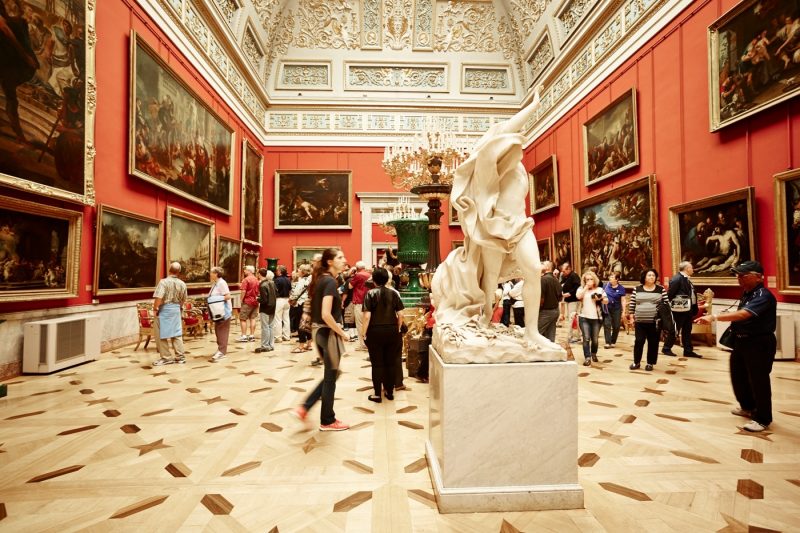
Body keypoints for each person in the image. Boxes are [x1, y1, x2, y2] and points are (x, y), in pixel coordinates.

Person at [431, 87, 563, 359]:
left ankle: (531, 331)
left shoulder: (519, 171)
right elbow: (507, 130)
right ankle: (486, 317)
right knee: (489, 279)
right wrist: (533, 107)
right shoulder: (490, 164)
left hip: (519, 225)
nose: (512, 142)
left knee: (534, 269)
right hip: (495, 227)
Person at [695, 261, 777, 432]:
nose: (739, 279)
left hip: (758, 343)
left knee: (758, 380)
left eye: (743, 276)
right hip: (741, 342)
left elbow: (744, 314)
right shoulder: (747, 293)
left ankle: (762, 418)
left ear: (758, 277)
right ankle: (747, 407)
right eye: (738, 275)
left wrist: (714, 317)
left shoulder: (763, 295)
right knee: (738, 376)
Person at [294, 248, 350, 431]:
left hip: (321, 333)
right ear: (330, 262)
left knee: (332, 374)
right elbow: (326, 314)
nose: (344, 260)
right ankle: (327, 420)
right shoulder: (329, 282)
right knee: (330, 376)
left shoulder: (322, 279)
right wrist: (342, 333)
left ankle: (305, 408)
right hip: (327, 332)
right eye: (340, 257)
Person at [360, 267, 405, 403]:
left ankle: (377, 394)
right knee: (390, 362)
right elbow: (401, 314)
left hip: (375, 331)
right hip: (392, 331)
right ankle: (390, 392)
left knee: (377, 364)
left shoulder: (370, 294)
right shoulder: (394, 294)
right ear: (387, 279)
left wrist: (363, 333)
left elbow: (367, 316)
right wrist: (397, 328)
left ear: (373, 280)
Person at [627, 269, 668, 371]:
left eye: (653, 275)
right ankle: (636, 362)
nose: (651, 277)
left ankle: (650, 363)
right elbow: (632, 304)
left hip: (655, 322)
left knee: (653, 343)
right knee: (639, 341)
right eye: (649, 275)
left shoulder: (660, 289)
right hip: (640, 321)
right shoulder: (637, 289)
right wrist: (631, 317)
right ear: (644, 277)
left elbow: (666, 304)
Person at [662, 261, 703, 358]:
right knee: (675, 329)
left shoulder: (686, 279)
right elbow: (670, 294)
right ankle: (666, 348)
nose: (693, 269)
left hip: (687, 309)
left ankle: (688, 351)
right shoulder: (677, 278)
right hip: (679, 310)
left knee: (687, 330)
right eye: (691, 268)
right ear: (687, 269)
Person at [152, 262, 188, 366]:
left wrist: (155, 308)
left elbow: (159, 297)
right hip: (176, 309)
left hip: (164, 310)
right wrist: (178, 307)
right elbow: (183, 299)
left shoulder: (163, 282)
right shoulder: (182, 284)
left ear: (169, 270)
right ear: (179, 272)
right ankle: (180, 357)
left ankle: (166, 357)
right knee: (177, 333)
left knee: (161, 333)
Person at [576, 270, 608, 366]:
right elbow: (578, 296)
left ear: (595, 280)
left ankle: (593, 353)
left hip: (596, 318)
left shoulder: (599, 290)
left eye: (591, 279)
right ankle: (587, 357)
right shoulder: (581, 289)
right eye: (587, 279)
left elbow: (607, 301)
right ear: (584, 281)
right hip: (583, 317)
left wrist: (600, 299)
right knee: (586, 338)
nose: (589, 281)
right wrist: (586, 287)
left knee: (595, 339)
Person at [207, 266, 232, 363]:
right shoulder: (216, 283)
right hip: (217, 312)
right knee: (218, 331)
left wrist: (213, 299)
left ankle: (222, 352)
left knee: (222, 331)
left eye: (211, 272)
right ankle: (220, 350)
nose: (210, 274)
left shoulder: (222, 283)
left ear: (216, 274)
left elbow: (228, 296)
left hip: (223, 312)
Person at [348, 261, 371, 351]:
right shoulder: (369, 275)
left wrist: (352, 273)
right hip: (368, 301)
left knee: (360, 324)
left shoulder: (358, 275)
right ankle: (368, 343)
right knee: (367, 323)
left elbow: (349, 286)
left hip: (359, 301)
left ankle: (363, 344)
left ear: (357, 268)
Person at [290, 264, 313, 353]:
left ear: (303, 272)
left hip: (301, 304)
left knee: (300, 324)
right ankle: (309, 344)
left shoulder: (302, 281)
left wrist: (291, 299)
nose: (297, 271)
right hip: (308, 302)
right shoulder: (311, 279)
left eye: (299, 270)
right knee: (307, 323)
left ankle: (301, 346)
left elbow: (296, 293)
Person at [537, 261, 561, 342]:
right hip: (555, 310)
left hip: (546, 311)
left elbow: (541, 298)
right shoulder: (556, 279)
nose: (540, 265)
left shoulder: (543, 279)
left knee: (535, 333)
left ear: (547, 268)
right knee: (550, 336)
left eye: (542, 264)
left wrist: (537, 309)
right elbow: (560, 297)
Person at [602, 272, 626, 349]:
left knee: (616, 326)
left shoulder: (621, 288)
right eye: (610, 277)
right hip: (607, 308)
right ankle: (607, 342)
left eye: (612, 277)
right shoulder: (605, 286)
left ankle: (613, 341)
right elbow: (601, 295)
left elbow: (623, 300)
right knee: (607, 324)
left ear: (617, 279)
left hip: (617, 308)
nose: (610, 278)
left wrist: (624, 311)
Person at [255, 268, 277, 354]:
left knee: (265, 327)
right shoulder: (272, 282)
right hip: (273, 306)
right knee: (271, 326)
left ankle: (265, 345)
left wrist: (257, 299)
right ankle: (271, 345)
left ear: (259, 274)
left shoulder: (262, 285)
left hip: (265, 307)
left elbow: (264, 300)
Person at [560, 262, 582, 343]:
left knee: (573, 318)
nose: (563, 272)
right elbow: (562, 284)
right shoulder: (566, 276)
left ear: (569, 269)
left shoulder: (574, 276)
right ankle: (574, 335)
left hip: (574, 300)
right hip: (568, 300)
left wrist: (569, 293)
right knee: (572, 318)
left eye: (564, 271)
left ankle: (573, 336)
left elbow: (577, 287)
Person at [237, 266, 259, 342]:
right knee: (252, 318)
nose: (244, 271)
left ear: (249, 271)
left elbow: (243, 291)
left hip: (247, 301)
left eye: (245, 270)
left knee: (243, 319)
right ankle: (252, 335)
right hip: (255, 301)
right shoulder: (256, 279)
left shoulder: (246, 280)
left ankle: (243, 336)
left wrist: (241, 299)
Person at [272, 265, 292, 342]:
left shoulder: (277, 280)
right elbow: (290, 290)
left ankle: (278, 337)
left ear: (280, 271)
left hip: (279, 300)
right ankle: (287, 336)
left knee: (278, 319)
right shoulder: (288, 279)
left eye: (277, 270)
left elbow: (274, 291)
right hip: (287, 299)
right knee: (286, 319)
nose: (276, 271)